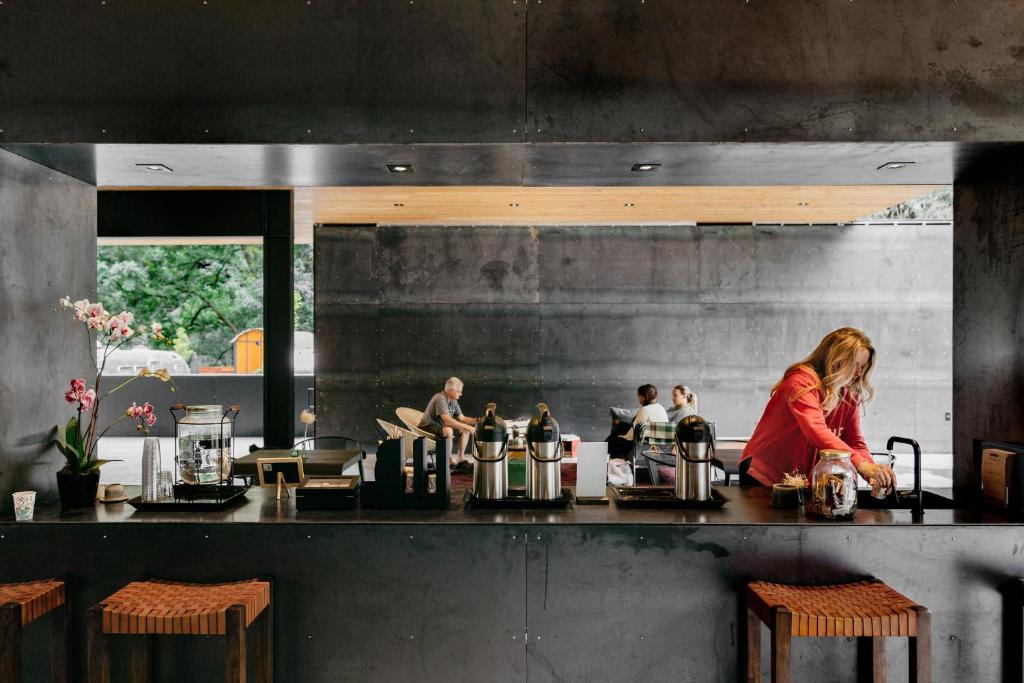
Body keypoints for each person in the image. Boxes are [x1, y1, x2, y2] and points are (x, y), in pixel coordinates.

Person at [739, 327, 895, 491]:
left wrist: (872, 473)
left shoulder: (848, 393)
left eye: (862, 367)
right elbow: (816, 430)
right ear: (835, 359)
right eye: (855, 365)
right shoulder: (800, 382)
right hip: (763, 474)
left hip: (797, 481)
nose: (858, 373)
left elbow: (854, 441)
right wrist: (861, 464)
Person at [418, 377, 478, 467]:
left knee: (464, 430)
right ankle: (448, 461)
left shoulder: (453, 401)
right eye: (458, 391)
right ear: (450, 390)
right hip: (428, 426)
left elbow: (462, 418)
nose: (461, 394)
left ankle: (460, 460)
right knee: (448, 430)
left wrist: (479, 420)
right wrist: (468, 427)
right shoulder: (440, 398)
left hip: (441, 426)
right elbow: (447, 420)